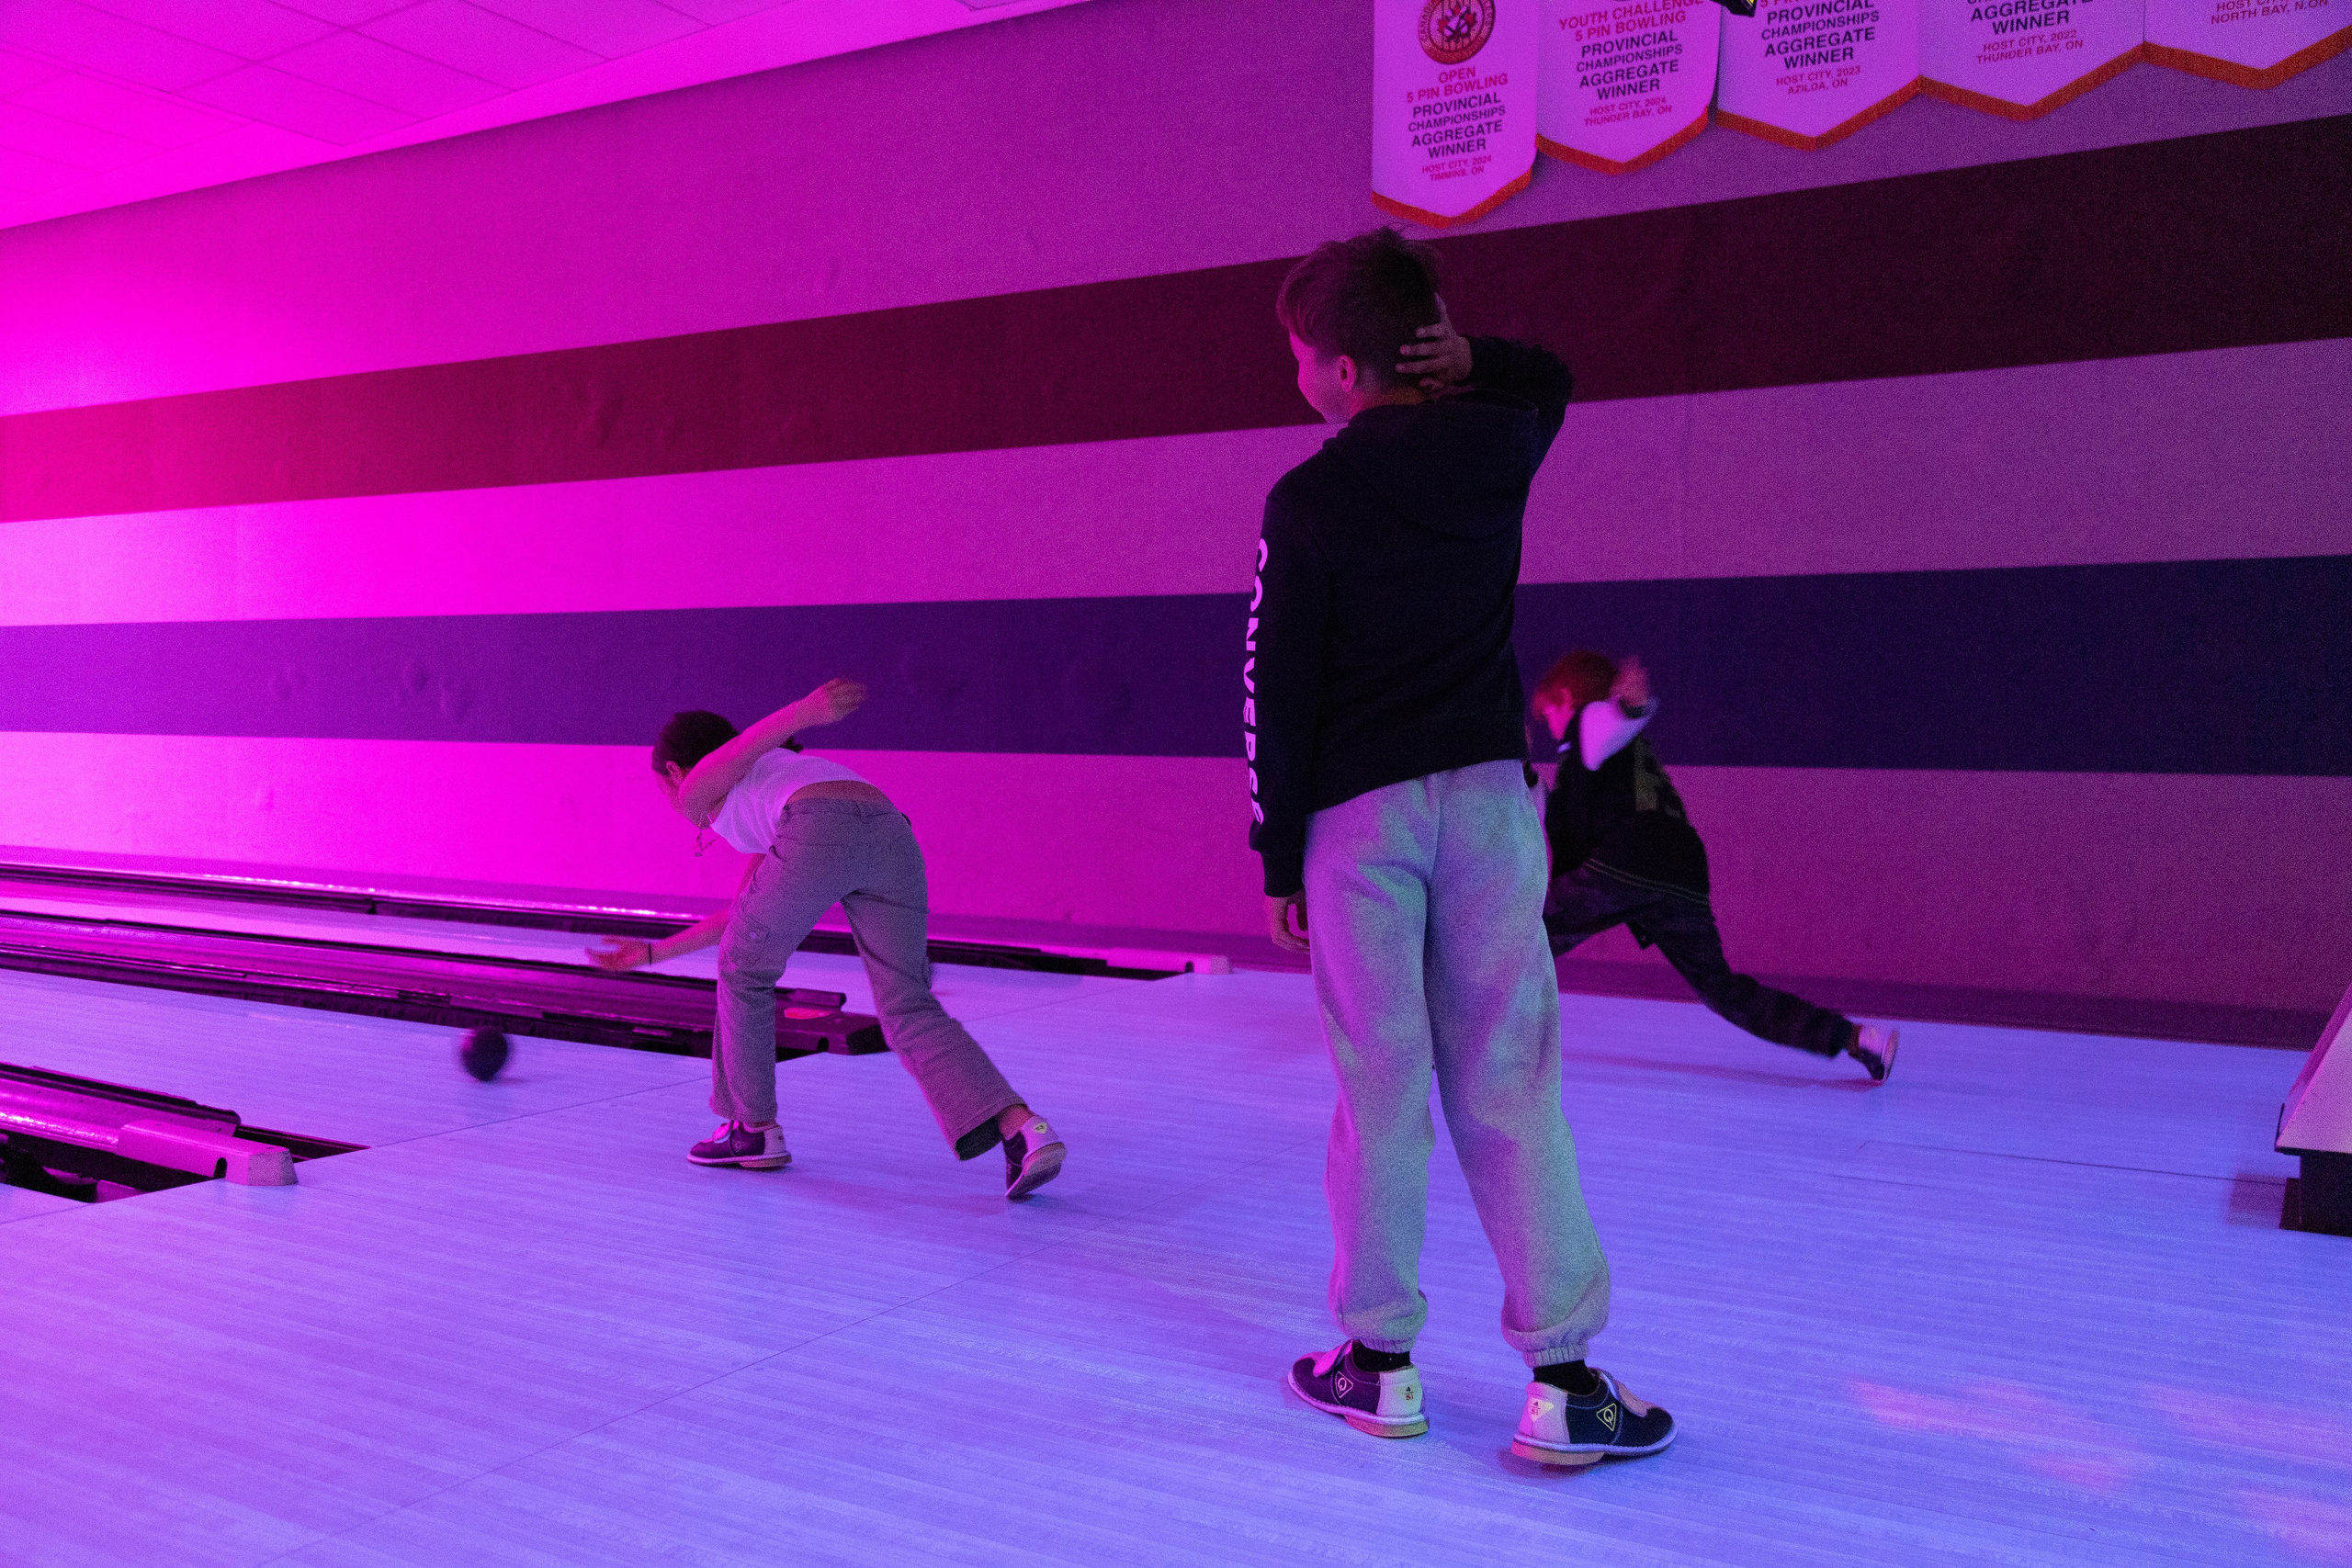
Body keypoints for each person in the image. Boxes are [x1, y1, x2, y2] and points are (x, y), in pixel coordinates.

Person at [1251, 228, 1673, 1467]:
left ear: (1337, 370)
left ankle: (1377, 1364)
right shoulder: (1494, 441)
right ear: (1421, 349)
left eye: (1297, 356)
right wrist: (1475, 353)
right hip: (1493, 804)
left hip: (1358, 823)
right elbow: (1550, 380)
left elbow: (1279, 687)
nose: (1297, 376)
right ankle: (1566, 1378)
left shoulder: (1310, 494)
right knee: (1511, 1079)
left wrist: (1278, 856)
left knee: (1379, 1086)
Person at [586, 678, 1067, 1201]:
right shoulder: (777, 785)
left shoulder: (701, 789)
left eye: (661, 783)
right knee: (908, 1003)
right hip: (889, 830)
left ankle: (752, 1129)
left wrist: (806, 710)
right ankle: (1023, 1129)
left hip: (816, 826)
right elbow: (741, 915)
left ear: (675, 772)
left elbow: (739, 753)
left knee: (744, 971)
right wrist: (655, 953)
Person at [1533, 650, 1897, 1082]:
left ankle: (1461, 1046)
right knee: (1723, 990)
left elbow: (1616, 716)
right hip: (1681, 871)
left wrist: (1634, 705)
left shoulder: (1589, 721)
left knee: (1517, 939)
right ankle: (1857, 1038)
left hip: (1631, 862)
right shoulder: (1611, 758)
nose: (1550, 727)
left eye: (1548, 713)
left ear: (1565, 695)